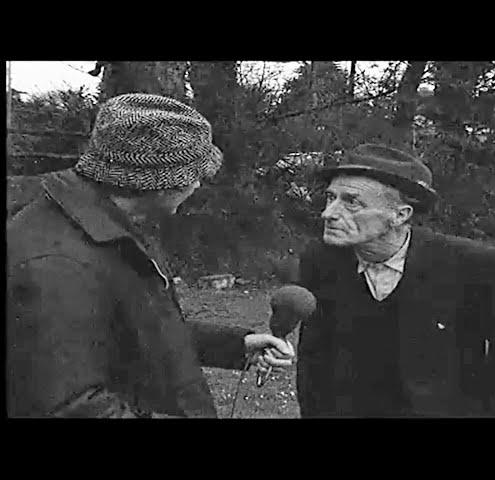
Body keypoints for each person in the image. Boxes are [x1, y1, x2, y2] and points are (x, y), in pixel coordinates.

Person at [7, 93, 294, 418]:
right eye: (193, 174)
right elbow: (70, 408)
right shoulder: (56, 264)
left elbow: (137, 330)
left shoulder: (106, 226)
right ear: (159, 181)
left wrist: (233, 345)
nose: (198, 184)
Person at [296, 143, 495, 418]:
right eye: (331, 198)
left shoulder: (477, 267)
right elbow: (313, 365)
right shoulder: (320, 262)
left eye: (351, 202)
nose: (328, 213)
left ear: (400, 215)